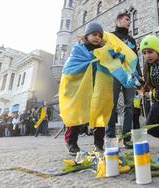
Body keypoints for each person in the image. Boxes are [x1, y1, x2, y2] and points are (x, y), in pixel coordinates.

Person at [62, 22, 106, 156]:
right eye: (94, 34)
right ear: (87, 36)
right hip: (80, 88)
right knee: (76, 114)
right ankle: (71, 142)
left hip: (96, 87)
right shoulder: (78, 50)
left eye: (99, 35)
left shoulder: (103, 51)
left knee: (99, 116)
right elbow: (69, 68)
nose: (97, 37)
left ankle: (99, 144)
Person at [106, 13, 142, 149]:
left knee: (129, 106)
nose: (129, 22)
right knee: (112, 105)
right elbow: (106, 53)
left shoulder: (132, 40)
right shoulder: (110, 36)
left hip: (129, 75)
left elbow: (135, 59)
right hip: (115, 74)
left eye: (130, 20)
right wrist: (115, 54)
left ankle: (127, 138)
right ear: (118, 20)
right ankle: (110, 137)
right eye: (127, 19)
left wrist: (140, 75)